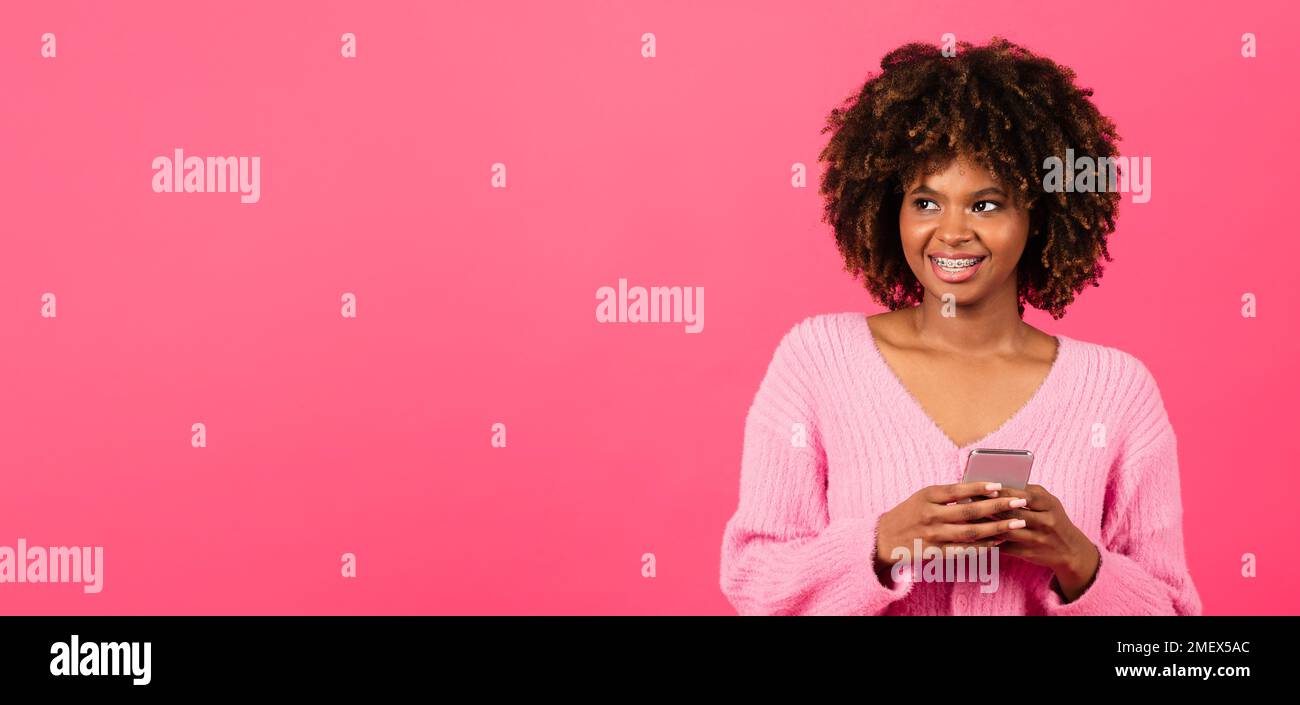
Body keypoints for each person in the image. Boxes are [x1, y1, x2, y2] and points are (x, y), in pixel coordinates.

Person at [718, 37, 1201, 616]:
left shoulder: (1117, 391)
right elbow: (754, 584)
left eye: (986, 204)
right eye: (925, 202)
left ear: (1038, 215)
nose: (951, 232)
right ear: (887, 207)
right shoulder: (818, 360)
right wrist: (884, 542)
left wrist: (1077, 560)